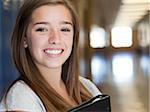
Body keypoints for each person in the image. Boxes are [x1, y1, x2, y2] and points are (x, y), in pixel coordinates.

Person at [0, 0, 101, 111]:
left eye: (64, 29)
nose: (55, 39)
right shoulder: (21, 99)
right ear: (24, 39)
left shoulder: (87, 87)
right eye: (42, 29)